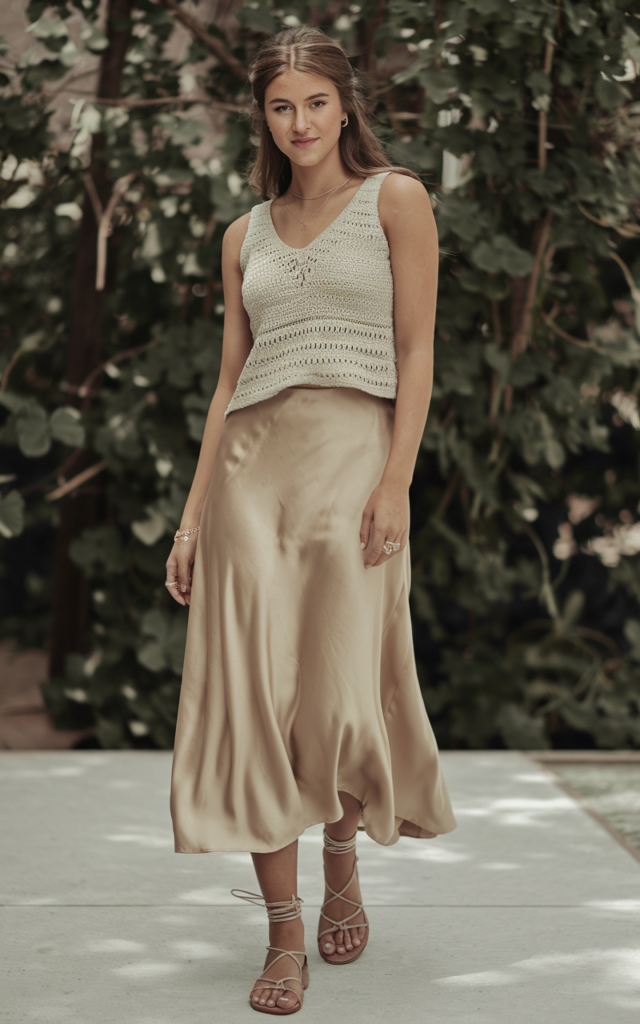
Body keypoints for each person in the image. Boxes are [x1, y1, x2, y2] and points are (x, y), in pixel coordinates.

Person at [166, 25, 456, 1016]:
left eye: (316, 103)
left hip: (353, 470)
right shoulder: (242, 233)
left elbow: (415, 351)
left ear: (345, 106)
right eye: (281, 106)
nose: (299, 123)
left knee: (336, 692)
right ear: (263, 115)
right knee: (256, 697)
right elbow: (227, 382)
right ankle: (283, 934)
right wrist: (192, 520)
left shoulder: (396, 199)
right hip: (251, 483)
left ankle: (342, 861)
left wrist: (396, 479)